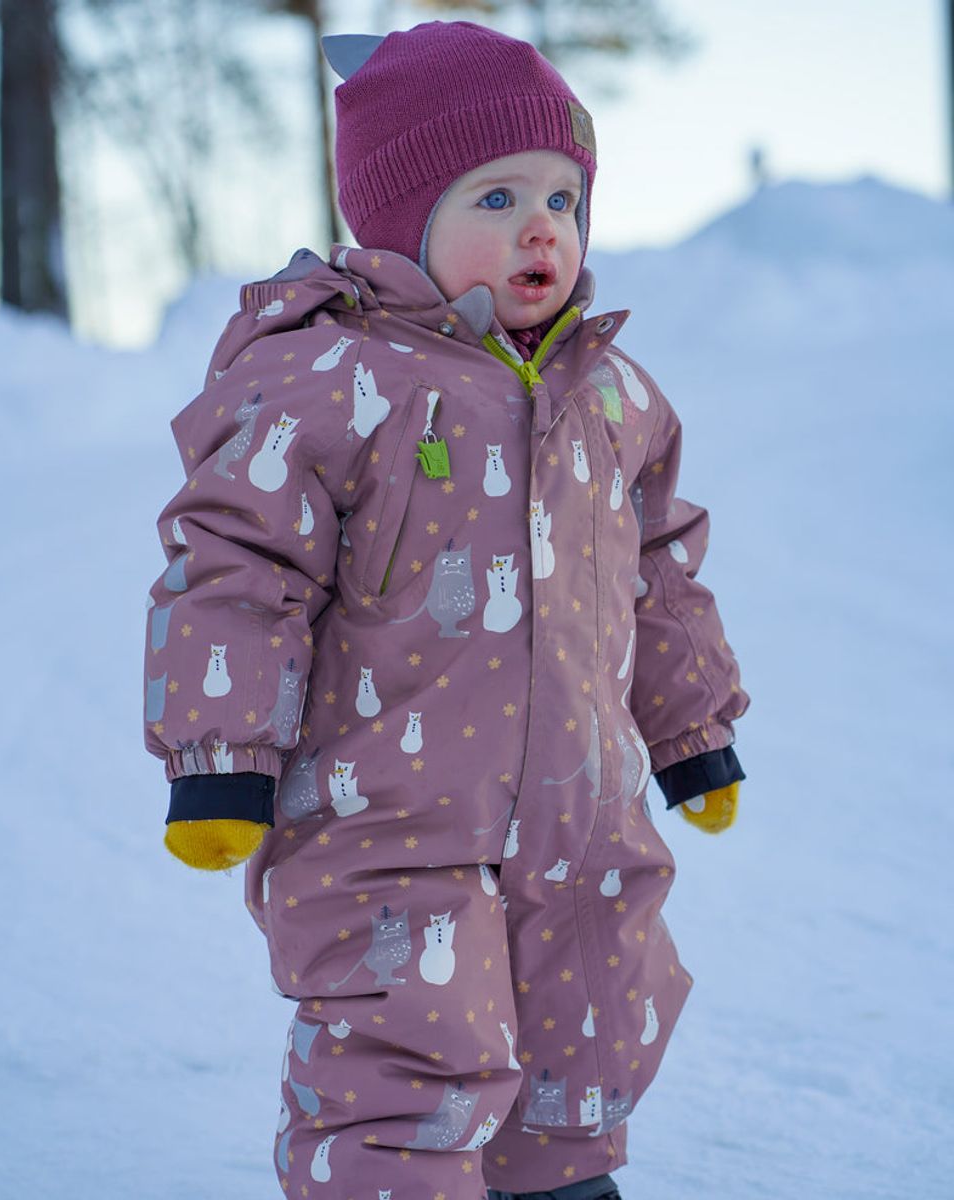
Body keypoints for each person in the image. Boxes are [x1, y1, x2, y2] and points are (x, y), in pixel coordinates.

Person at [142, 21, 748, 1200]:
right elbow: (235, 564)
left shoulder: (613, 394)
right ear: (399, 217)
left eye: (565, 199)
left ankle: (561, 1183)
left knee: (591, 1031)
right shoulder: (330, 380)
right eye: (498, 194)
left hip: (581, 821)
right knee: (405, 1062)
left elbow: (658, 565)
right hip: (386, 826)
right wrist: (219, 757)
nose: (543, 227)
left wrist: (692, 729)